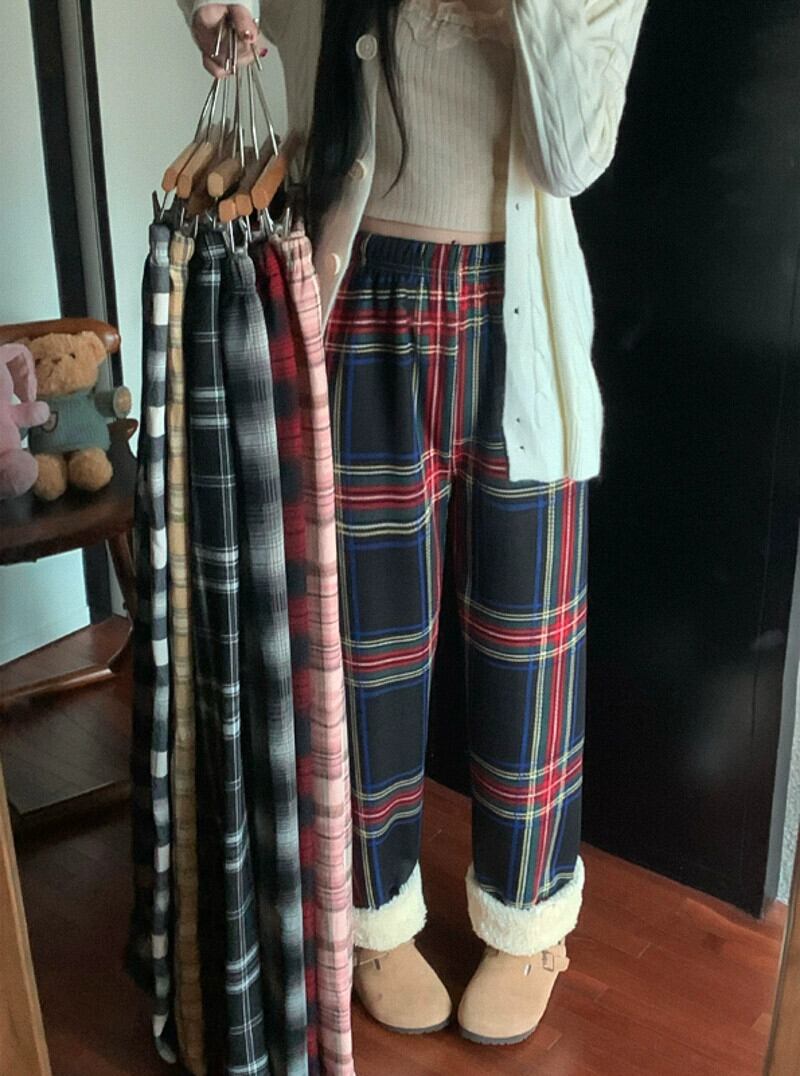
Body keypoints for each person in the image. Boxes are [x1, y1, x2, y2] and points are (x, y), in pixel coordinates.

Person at [178, 0, 648, 1047]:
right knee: (367, 643)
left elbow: (574, 157)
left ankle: (528, 918)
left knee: (531, 638)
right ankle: (372, 913)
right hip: (357, 286)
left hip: (519, 306)